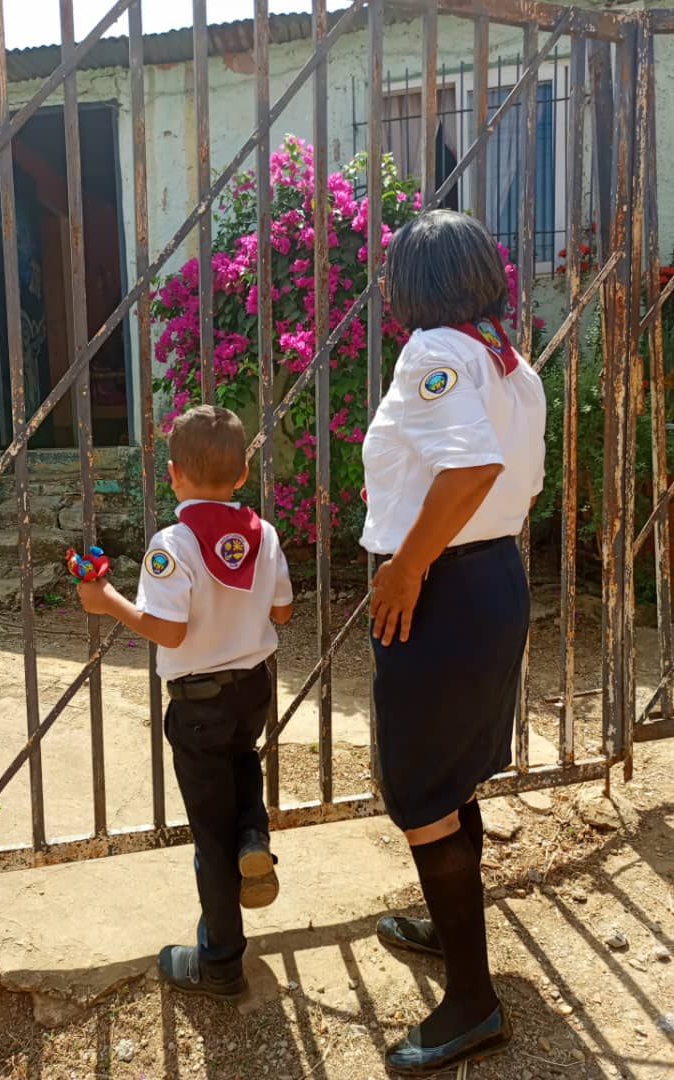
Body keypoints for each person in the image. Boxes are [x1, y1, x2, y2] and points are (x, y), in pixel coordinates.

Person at [360, 210, 546, 1075]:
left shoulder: (435, 352)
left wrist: (404, 570)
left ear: (412, 286)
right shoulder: (507, 361)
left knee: (418, 785)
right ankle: (450, 928)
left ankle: (472, 1005)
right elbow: (507, 479)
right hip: (489, 580)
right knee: (450, 772)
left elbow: (469, 471)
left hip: (441, 588)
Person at [75, 404, 293, 1001]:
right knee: (244, 761)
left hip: (198, 702)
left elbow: (168, 632)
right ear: (243, 474)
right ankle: (255, 837)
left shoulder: (171, 543)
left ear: (172, 474)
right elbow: (282, 612)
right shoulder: (264, 533)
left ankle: (220, 961)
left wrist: (108, 601)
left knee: (208, 834)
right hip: (253, 688)